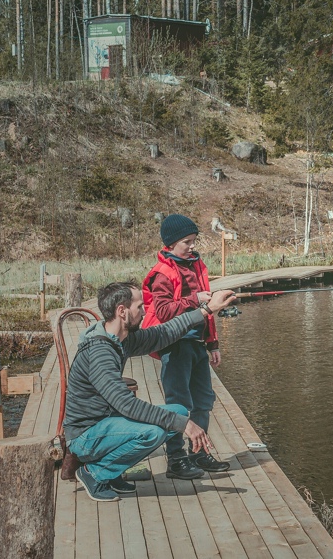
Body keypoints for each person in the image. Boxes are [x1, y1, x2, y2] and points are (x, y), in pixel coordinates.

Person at [63, 281, 236, 502]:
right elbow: (127, 405)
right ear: (122, 311)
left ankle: (111, 472)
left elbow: (164, 332)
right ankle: (95, 473)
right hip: (86, 435)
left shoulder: (121, 340)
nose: (145, 312)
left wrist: (206, 310)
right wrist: (184, 425)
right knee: (153, 432)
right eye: (139, 307)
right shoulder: (100, 352)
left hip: (106, 424)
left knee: (178, 411)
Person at [141, 214, 230, 480]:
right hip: (175, 345)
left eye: (193, 241)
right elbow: (164, 311)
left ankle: (198, 453)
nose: (192, 246)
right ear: (170, 244)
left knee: (204, 401)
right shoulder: (162, 274)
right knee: (178, 405)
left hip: (197, 344)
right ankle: (176, 459)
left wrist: (213, 344)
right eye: (187, 242)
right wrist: (195, 299)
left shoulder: (196, 264)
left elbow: (208, 311)